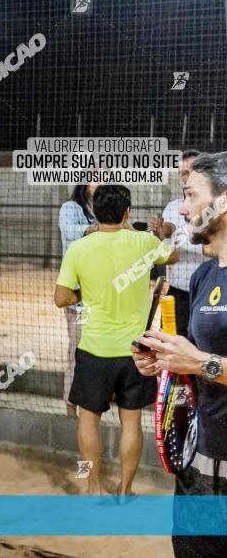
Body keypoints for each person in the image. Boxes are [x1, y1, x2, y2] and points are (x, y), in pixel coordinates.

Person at [54, 185, 177, 497]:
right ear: (127, 213)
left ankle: (93, 490)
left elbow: (60, 298)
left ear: (95, 212)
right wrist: (163, 234)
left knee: (88, 420)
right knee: (131, 424)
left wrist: (86, 292)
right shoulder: (143, 242)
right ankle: (125, 490)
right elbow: (172, 254)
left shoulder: (80, 248)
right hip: (135, 352)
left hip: (94, 350)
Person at [133, 152, 227, 556]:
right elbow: (197, 361)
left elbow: (205, 361)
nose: (183, 208)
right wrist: (167, 364)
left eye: (190, 195)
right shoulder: (205, 273)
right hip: (199, 462)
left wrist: (199, 362)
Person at [149, 150, 205, 337]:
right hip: (177, 290)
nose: (187, 176)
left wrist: (174, 234)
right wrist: (160, 230)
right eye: (183, 172)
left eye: (192, 170)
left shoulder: (214, 206)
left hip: (207, 291)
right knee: (170, 341)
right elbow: (167, 234)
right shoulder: (173, 206)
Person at [58, 184, 98, 418]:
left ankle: (91, 401)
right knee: (78, 349)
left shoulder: (104, 209)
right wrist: (95, 229)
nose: (101, 182)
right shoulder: (71, 208)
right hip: (78, 297)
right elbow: (69, 230)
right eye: (96, 177)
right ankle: (71, 404)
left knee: (95, 350)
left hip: (100, 297)